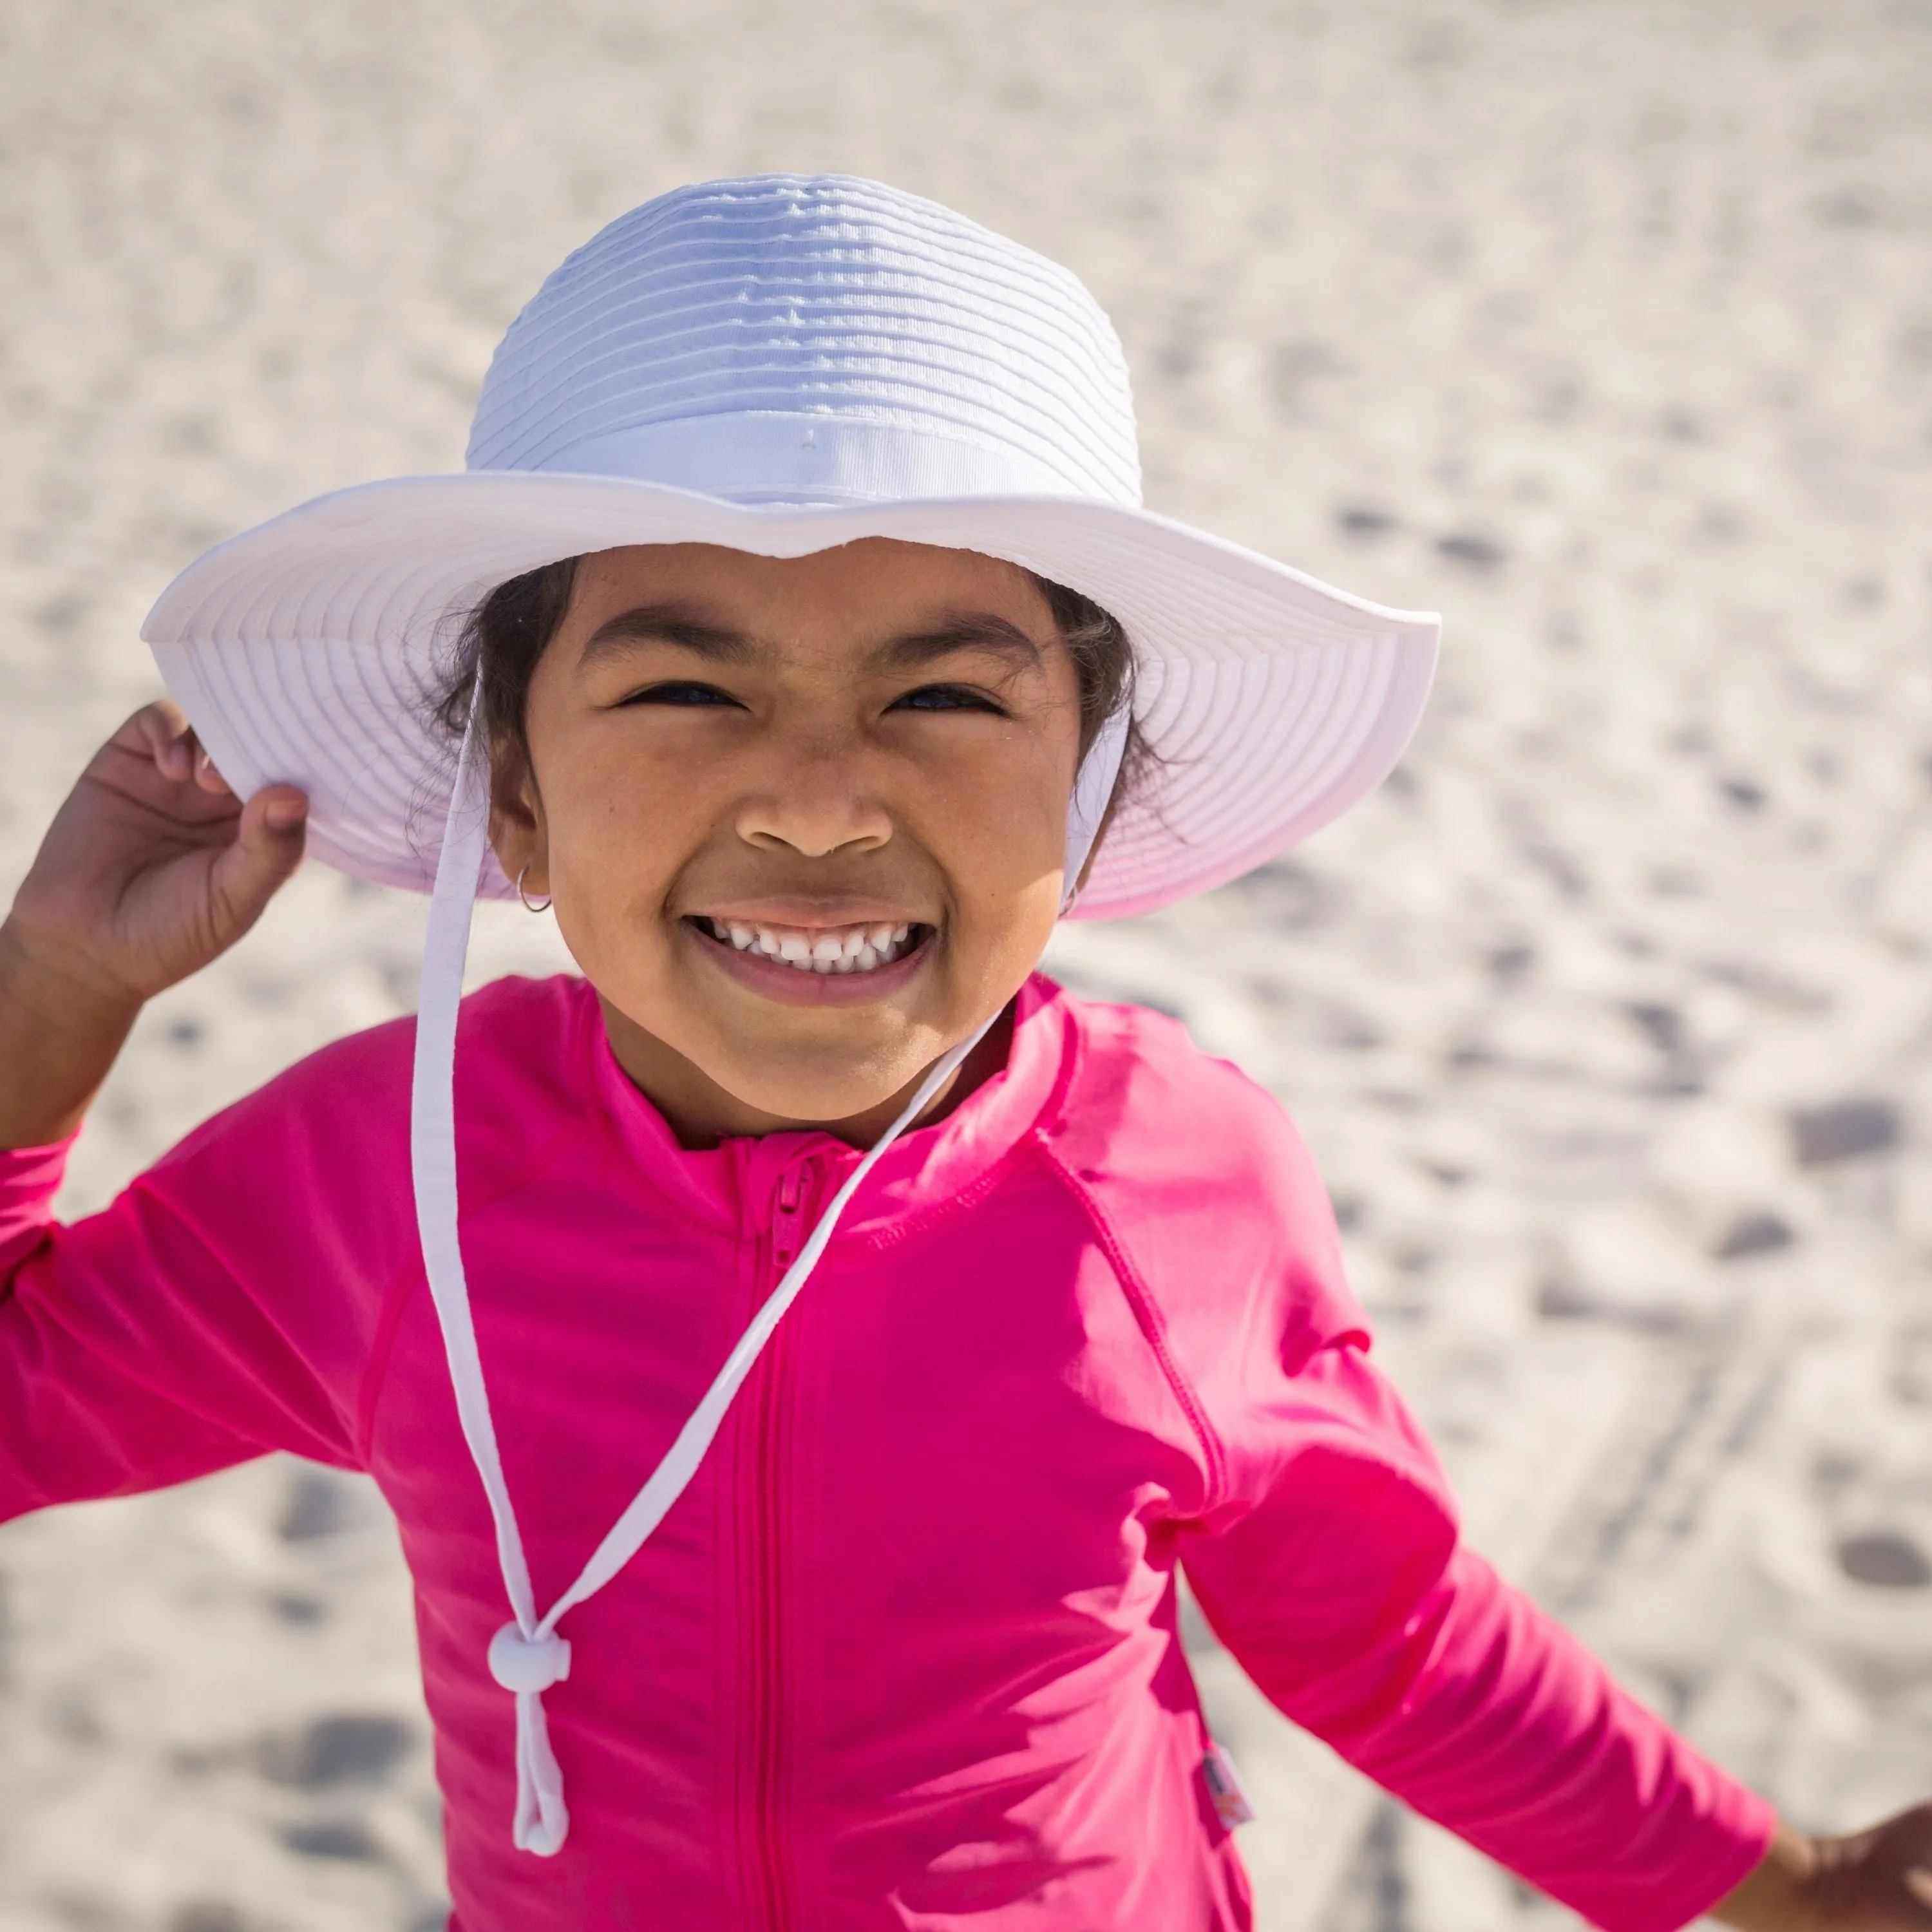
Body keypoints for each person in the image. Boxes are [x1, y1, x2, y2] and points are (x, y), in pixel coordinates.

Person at [0, 174, 1924, 1932]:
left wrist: (1780, 1884)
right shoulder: (387, 1175)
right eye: (684, 686)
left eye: (942, 693)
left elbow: (1392, 1639)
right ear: (511, 794)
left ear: (1087, 790)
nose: (825, 808)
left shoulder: (1175, 1183)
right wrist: (53, 1005)